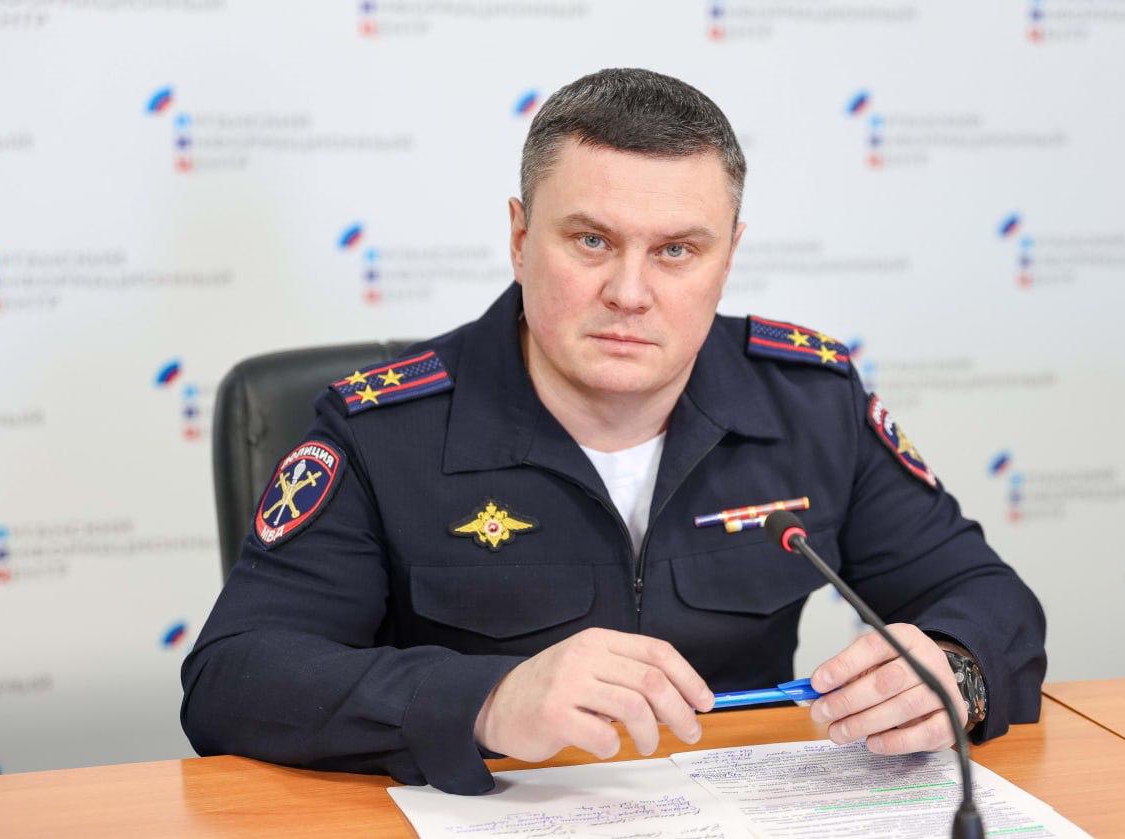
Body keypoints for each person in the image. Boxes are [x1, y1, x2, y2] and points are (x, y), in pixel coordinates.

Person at [181, 68, 1046, 795]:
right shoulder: (383, 429)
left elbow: (988, 597)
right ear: (520, 237)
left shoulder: (809, 401)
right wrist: (487, 700)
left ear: (728, 256)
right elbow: (234, 674)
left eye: (676, 251)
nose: (630, 293)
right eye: (592, 241)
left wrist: (956, 668)